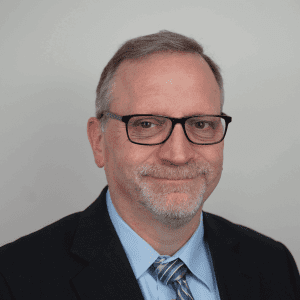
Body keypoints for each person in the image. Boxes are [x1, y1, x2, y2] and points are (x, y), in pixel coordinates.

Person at [0, 30, 299, 300]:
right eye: (146, 124)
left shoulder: (272, 264)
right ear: (98, 141)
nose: (178, 154)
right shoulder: (15, 278)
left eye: (201, 124)